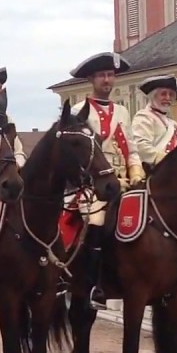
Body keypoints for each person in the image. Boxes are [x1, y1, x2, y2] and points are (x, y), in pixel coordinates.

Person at [69, 52, 141, 309]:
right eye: (102, 76)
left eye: (110, 75)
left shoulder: (122, 111)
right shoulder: (79, 111)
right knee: (97, 220)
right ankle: (93, 283)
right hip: (92, 183)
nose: (107, 80)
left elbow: (131, 148)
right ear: (92, 79)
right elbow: (77, 154)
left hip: (122, 179)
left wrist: (136, 174)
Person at [130, 75, 177, 166]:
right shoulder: (144, 116)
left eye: (171, 94)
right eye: (163, 94)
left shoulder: (174, 124)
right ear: (153, 95)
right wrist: (167, 160)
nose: (167, 98)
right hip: (154, 170)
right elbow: (141, 146)